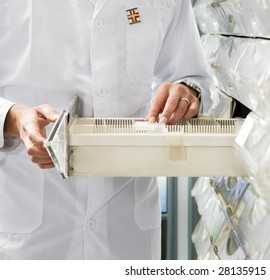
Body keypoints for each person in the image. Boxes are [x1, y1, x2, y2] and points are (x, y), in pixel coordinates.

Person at [0, 0, 211, 259]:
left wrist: (187, 92)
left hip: (127, 234)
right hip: (31, 236)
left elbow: (194, 78)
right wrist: (13, 118)